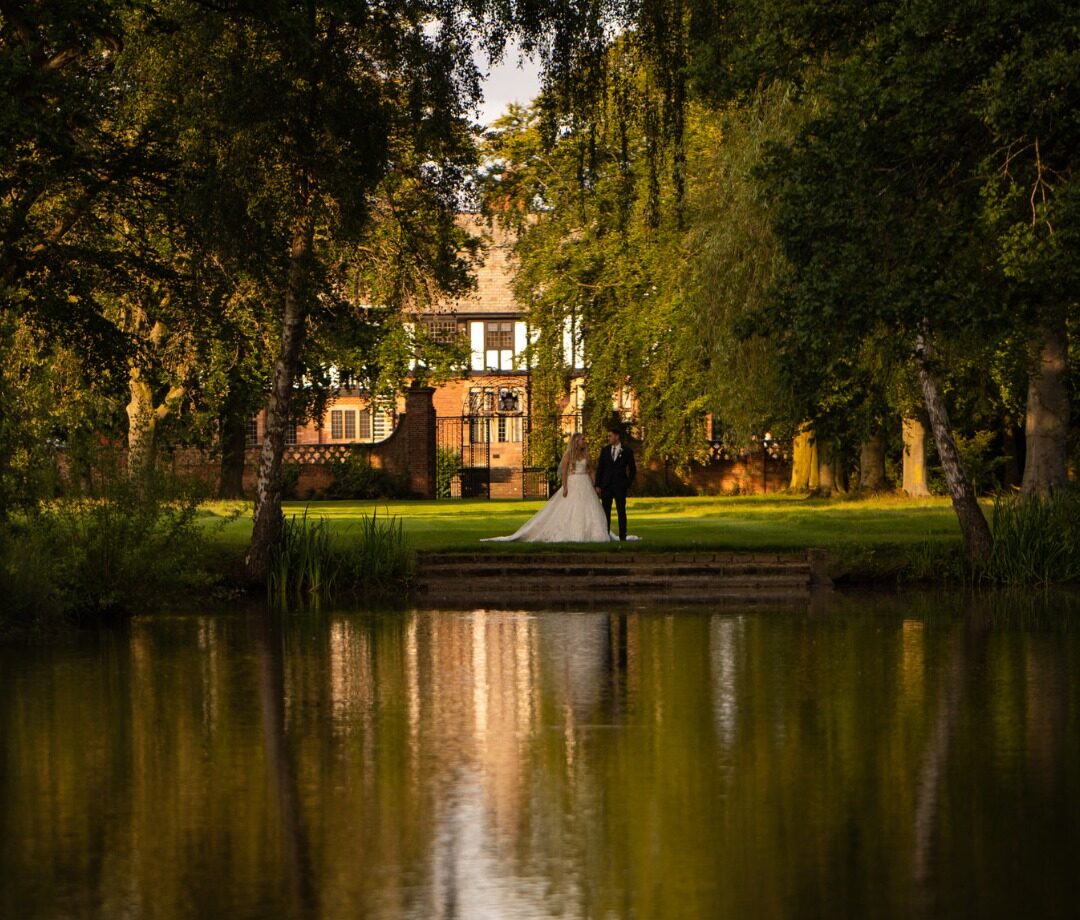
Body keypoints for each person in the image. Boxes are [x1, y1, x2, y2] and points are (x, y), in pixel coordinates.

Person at [481, 433, 616, 543]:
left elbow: (591, 470)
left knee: (589, 507)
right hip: (574, 481)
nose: (584, 442)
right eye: (582, 440)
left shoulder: (586, 455)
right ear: (576, 441)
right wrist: (565, 486)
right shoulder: (569, 455)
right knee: (572, 506)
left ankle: (593, 533)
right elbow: (564, 472)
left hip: (585, 482)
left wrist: (595, 484)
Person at [594, 424, 636, 541]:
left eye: (610, 436)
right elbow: (600, 468)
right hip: (606, 486)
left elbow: (632, 469)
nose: (608, 438)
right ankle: (605, 535)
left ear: (617, 437)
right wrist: (598, 484)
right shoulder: (605, 450)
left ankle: (623, 536)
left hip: (620, 486)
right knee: (605, 512)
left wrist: (627, 483)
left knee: (621, 511)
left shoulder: (627, 451)